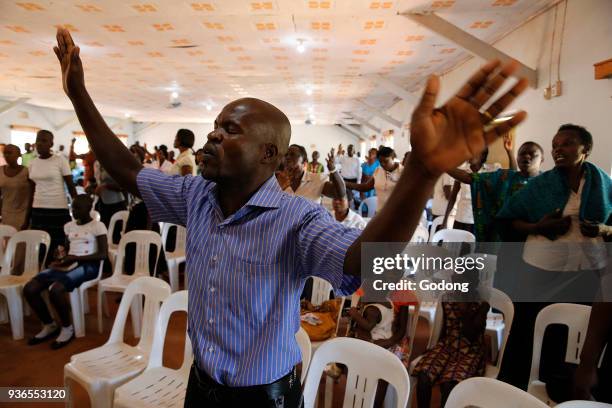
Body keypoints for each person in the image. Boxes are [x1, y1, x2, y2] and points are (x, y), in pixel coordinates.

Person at [54, 27, 527, 406]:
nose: (213, 136)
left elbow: (358, 262)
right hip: (201, 384)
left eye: (229, 129)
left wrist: (420, 173)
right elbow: (128, 170)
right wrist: (79, 95)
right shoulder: (196, 196)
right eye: (216, 126)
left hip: (264, 397)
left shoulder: (297, 220)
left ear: (268, 154)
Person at [496, 124, 611, 390]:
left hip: (585, 271)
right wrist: (538, 227)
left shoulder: (604, 185)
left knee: (569, 333)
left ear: (586, 149)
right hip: (540, 270)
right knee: (530, 329)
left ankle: (555, 389)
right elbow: (508, 220)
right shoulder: (540, 186)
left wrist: (604, 229)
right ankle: (517, 389)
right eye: (555, 145)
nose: (559, 149)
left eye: (567, 143)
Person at [23, 194, 107, 349]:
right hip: (68, 264)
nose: (74, 211)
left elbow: (103, 254)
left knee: (56, 290)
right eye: (73, 207)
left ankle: (67, 328)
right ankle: (49, 324)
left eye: (78, 208)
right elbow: (66, 249)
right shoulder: (69, 226)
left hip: (88, 266)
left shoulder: (97, 226)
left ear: (89, 208)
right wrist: (60, 254)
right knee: (30, 288)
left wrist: (76, 258)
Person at [446, 139, 544, 242]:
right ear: (517, 158)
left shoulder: (547, 182)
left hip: (535, 242)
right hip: (506, 241)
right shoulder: (505, 177)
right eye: (522, 153)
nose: (527, 156)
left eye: (532, 154)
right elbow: (471, 178)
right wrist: (442, 165)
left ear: (542, 159)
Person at [413, 300, 490, 408]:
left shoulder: (482, 305)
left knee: (449, 385)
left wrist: (464, 311)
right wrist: (434, 348)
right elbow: (446, 328)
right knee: (424, 376)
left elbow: (471, 335)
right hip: (447, 345)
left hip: (470, 351)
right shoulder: (448, 299)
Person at [28, 130, 77, 260]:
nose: (39, 143)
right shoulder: (33, 163)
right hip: (38, 208)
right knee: (40, 246)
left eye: (44, 141)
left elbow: (71, 186)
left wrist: (77, 208)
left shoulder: (60, 160)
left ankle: (56, 275)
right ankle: (42, 275)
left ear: (51, 143)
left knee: (58, 246)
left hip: (58, 208)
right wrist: (28, 213)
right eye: (38, 140)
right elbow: (31, 189)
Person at [442, 147, 498, 234]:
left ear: (483, 156)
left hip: (478, 222)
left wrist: (509, 152)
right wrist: (445, 221)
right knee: (457, 247)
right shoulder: (462, 172)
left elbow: (511, 172)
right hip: (460, 219)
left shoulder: (489, 172)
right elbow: (453, 197)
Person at [278, 144, 345, 204]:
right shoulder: (278, 179)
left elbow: (339, 194)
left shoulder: (318, 179)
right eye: (286, 155)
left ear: (304, 161)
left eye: (293, 154)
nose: (288, 157)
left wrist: (333, 169)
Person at [345, 146, 403, 212]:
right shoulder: (378, 170)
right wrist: (345, 183)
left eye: (386, 161)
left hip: (397, 212)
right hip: (380, 211)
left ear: (393, 158)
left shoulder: (403, 172)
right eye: (380, 162)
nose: (383, 164)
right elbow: (366, 186)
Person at [0, 144, 33, 230]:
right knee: (6, 241)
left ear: (19, 155)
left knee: (21, 241)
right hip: (6, 214)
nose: (6, 155)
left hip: (23, 215)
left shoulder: (27, 172)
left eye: (10, 153)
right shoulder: (0, 171)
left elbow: (32, 196)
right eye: (5, 153)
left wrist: (27, 219)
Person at [94, 162, 126, 227]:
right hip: (102, 202)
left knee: (117, 229)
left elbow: (122, 186)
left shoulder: (114, 162)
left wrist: (106, 185)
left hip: (116, 202)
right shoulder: (96, 163)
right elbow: (98, 181)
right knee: (105, 227)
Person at [339, 144, 361, 208]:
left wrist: (358, 182)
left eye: (351, 149)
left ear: (354, 150)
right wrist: (338, 153)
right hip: (344, 180)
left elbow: (359, 171)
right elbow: (335, 161)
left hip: (353, 180)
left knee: (354, 196)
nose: (350, 150)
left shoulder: (357, 159)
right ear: (347, 149)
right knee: (345, 195)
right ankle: (346, 208)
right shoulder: (343, 158)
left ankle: (354, 208)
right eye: (349, 148)